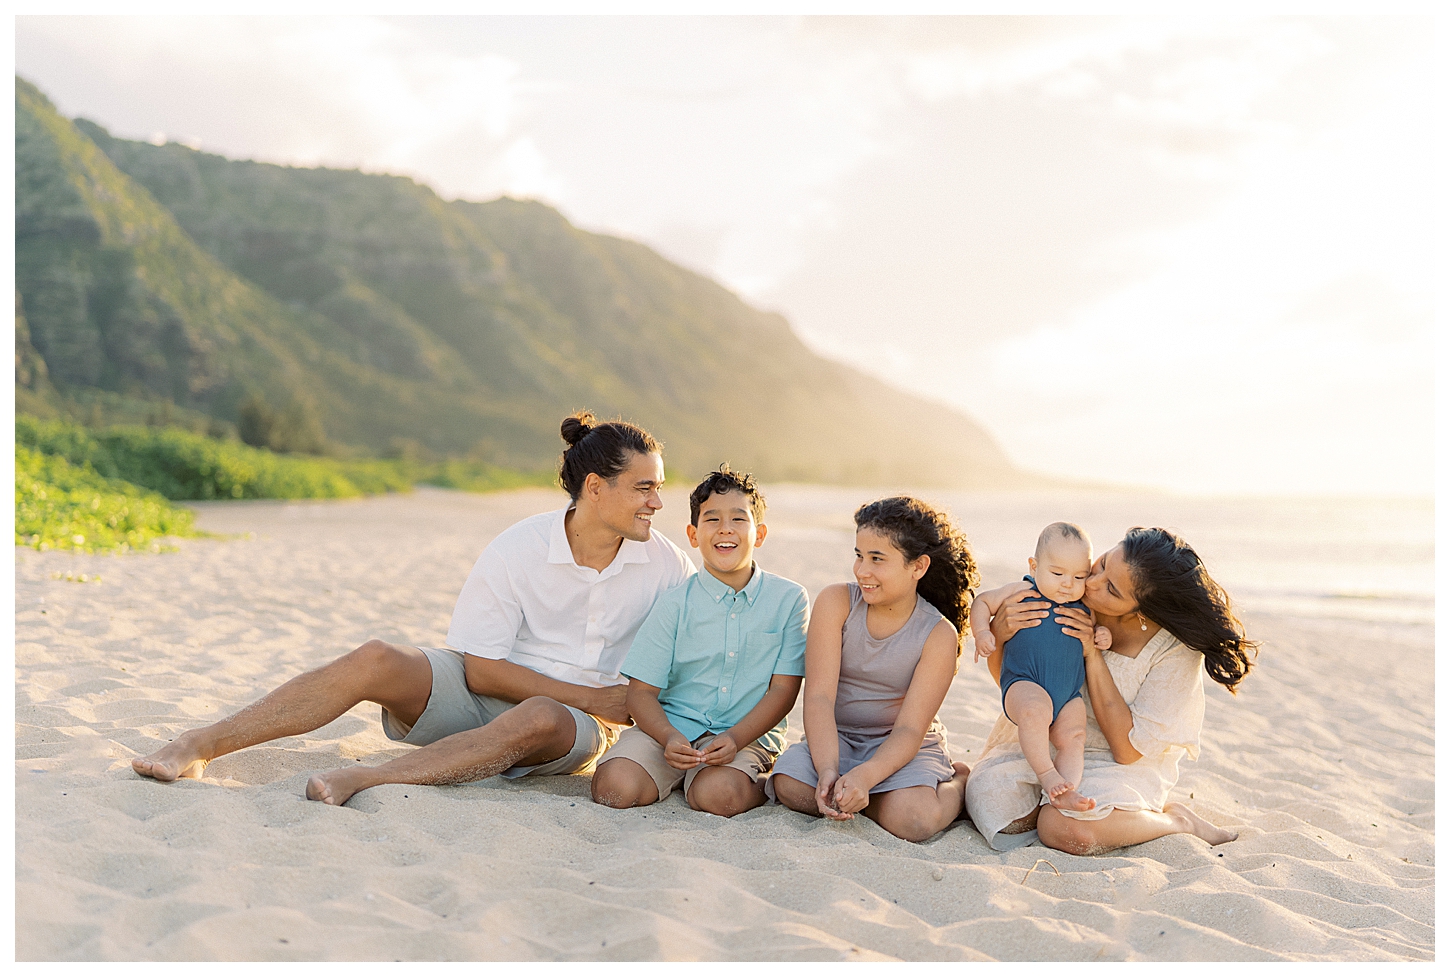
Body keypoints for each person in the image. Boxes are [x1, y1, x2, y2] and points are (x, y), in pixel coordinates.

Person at [131, 411, 695, 806]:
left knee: (544, 713)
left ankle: (370, 778)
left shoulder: (667, 565)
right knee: (377, 657)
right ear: (595, 488)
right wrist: (592, 695)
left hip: (568, 728)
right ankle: (199, 744)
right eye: (644, 487)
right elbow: (479, 670)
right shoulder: (519, 547)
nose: (657, 502)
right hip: (488, 695)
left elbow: (697, 655)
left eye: (659, 487)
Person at [965, 526, 1258, 854]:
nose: (1091, 582)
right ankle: (1082, 809)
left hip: (1120, 763)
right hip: (1045, 734)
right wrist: (1001, 633)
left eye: (1111, 589)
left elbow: (1127, 750)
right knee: (990, 803)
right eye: (1103, 564)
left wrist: (1093, 655)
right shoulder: (1068, 592)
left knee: (1065, 830)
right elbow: (1013, 680)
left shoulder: (1173, 651)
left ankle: (1178, 822)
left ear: (1143, 610)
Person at [590, 466, 808, 817]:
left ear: (760, 533)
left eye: (739, 519)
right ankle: (676, 773)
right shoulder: (674, 603)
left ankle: (754, 780)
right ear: (693, 534)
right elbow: (640, 693)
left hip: (745, 734)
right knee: (614, 789)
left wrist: (737, 738)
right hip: (671, 728)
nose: (725, 528)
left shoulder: (789, 600)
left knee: (717, 797)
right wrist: (667, 737)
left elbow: (783, 690)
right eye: (712, 519)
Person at [766, 497, 977, 843]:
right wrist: (828, 770)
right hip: (839, 738)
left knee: (914, 822)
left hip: (901, 747)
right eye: (859, 555)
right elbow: (818, 698)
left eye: (877, 559)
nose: (862, 570)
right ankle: (866, 798)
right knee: (790, 786)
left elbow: (910, 729)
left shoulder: (938, 634)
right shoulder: (836, 602)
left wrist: (866, 778)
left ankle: (958, 782)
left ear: (918, 567)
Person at [968, 522, 1110, 813]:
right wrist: (983, 632)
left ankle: (1067, 789)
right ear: (1034, 566)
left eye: (1079, 576)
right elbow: (982, 602)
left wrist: (1102, 635)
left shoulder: (1083, 604)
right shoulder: (1022, 590)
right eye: (1057, 573)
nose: (1068, 583)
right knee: (1035, 711)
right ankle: (1048, 775)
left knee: (1074, 737)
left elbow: (1096, 630)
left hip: (1068, 693)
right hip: (1024, 682)